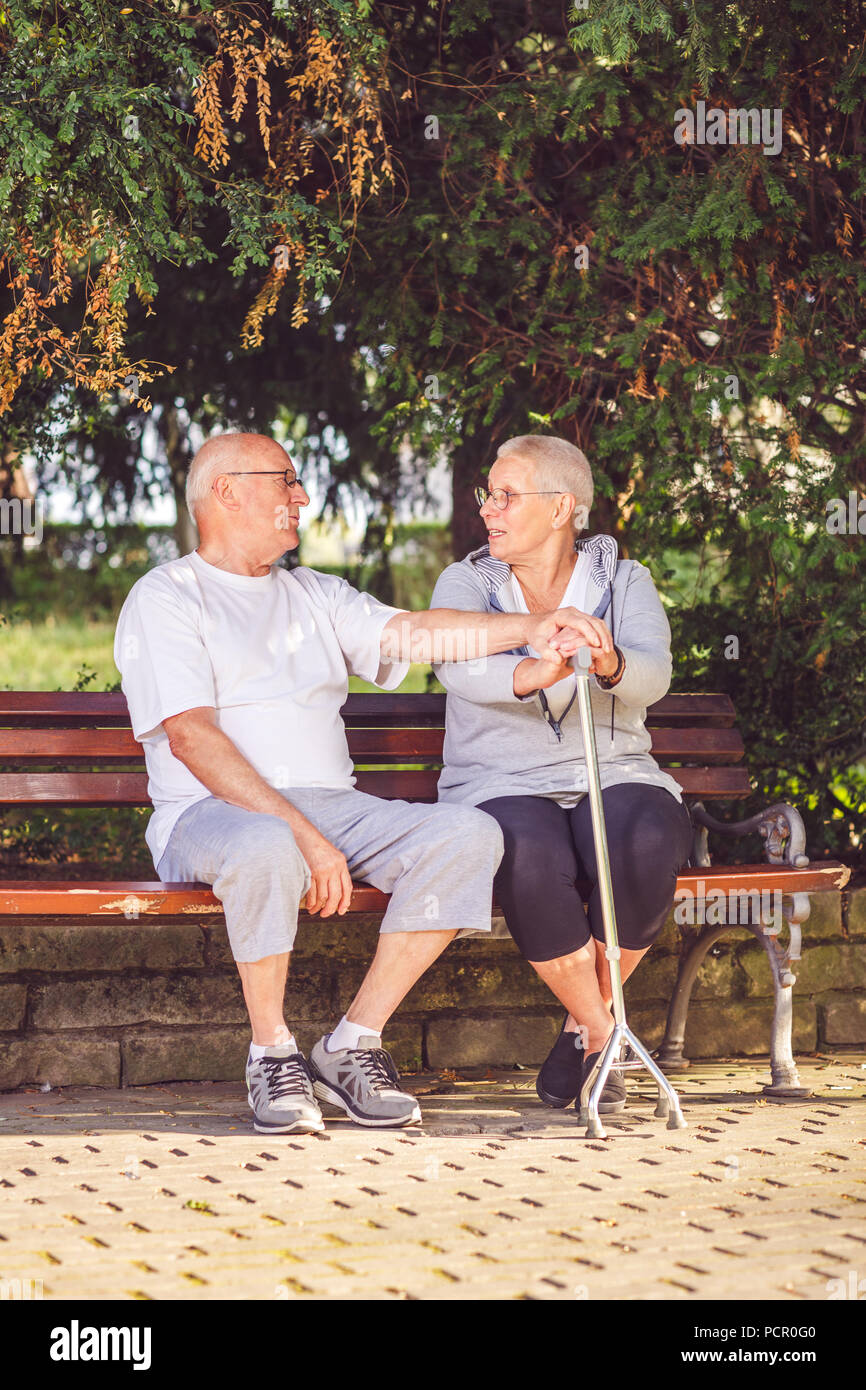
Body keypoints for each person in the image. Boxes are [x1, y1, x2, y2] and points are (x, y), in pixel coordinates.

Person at [114, 432, 587, 1135]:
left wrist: (534, 624)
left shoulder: (315, 593)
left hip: (332, 807)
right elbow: (192, 738)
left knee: (467, 834)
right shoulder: (169, 596)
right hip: (209, 813)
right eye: (285, 481)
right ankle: (272, 1053)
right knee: (266, 847)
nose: (301, 497)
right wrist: (301, 834)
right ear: (227, 490)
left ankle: (351, 1044)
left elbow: (416, 635)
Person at [431, 434, 694, 1115]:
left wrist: (607, 661)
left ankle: (581, 1027)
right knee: (527, 851)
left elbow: (655, 675)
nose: (489, 509)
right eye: (487, 495)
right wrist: (537, 665)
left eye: (507, 496)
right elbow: (451, 655)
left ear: (560, 508)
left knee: (644, 834)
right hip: (499, 779)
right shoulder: (467, 581)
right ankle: (609, 1032)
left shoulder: (624, 582)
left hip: (613, 767)